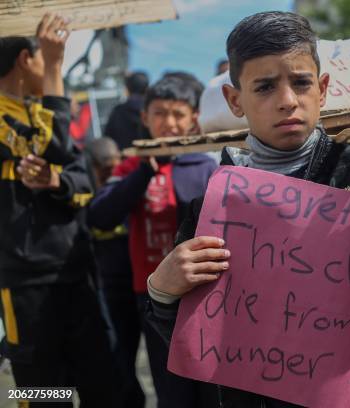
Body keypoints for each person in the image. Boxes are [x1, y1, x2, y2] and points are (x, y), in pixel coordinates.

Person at [146, 11, 350, 407]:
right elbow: (188, 336)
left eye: (301, 82)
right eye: (264, 87)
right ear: (235, 100)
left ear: (323, 89)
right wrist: (163, 292)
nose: (287, 101)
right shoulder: (212, 204)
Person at [0, 14, 121, 406]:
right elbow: (51, 145)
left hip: (75, 270)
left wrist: (57, 183)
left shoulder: (40, 113)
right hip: (25, 282)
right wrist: (55, 66)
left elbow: (81, 179)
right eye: (44, 58)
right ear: (24, 59)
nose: (53, 65)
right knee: (42, 389)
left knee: (100, 378)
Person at [88, 75, 218, 408]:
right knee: (168, 383)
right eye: (160, 113)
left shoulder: (209, 167)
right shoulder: (132, 165)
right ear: (145, 118)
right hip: (150, 294)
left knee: (206, 380)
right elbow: (99, 215)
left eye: (178, 114)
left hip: (203, 294)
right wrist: (145, 172)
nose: (169, 123)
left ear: (194, 119)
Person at [85, 137, 145, 408]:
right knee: (118, 361)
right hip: (108, 291)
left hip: (137, 285)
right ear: (92, 167)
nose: (109, 175)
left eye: (113, 167)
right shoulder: (83, 195)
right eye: (104, 170)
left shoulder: (126, 187)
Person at [105, 71, 149, 150]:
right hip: (150, 158)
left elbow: (108, 139)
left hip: (124, 159)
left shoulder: (117, 112)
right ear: (147, 88)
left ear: (127, 88)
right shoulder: (152, 112)